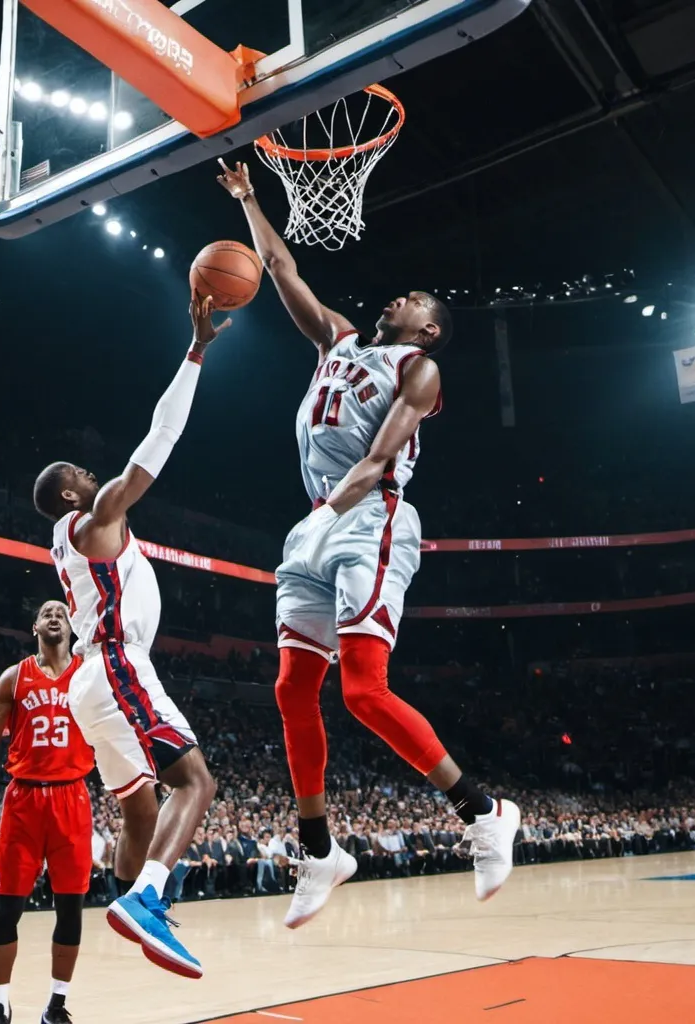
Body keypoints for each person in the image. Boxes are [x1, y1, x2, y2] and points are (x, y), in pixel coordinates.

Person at [219, 159, 520, 928]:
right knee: (292, 689)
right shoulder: (340, 341)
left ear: (427, 328)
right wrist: (251, 198)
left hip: (372, 517)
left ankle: (484, 811)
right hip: (318, 518)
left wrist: (327, 518)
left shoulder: (419, 368)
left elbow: (379, 459)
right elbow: (281, 267)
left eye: (413, 299)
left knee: (361, 690)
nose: (397, 296)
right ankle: (320, 850)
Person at [31, 294, 228, 979]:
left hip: (92, 683)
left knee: (139, 810)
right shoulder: (94, 520)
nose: (92, 473)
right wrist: (195, 352)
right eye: (81, 475)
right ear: (67, 496)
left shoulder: (66, 542)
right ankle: (146, 901)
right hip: (116, 665)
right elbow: (157, 444)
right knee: (196, 782)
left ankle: (125, 902)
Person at [0, 600, 95, 1024]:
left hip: (72, 798)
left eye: (62, 610)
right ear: (35, 626)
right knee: (7, 909)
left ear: (74, 626)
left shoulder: (89, 675)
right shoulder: (14, 677)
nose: (55, 614)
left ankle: (56, 1005)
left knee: (71, 909)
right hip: (23, 800)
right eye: (47, 612)